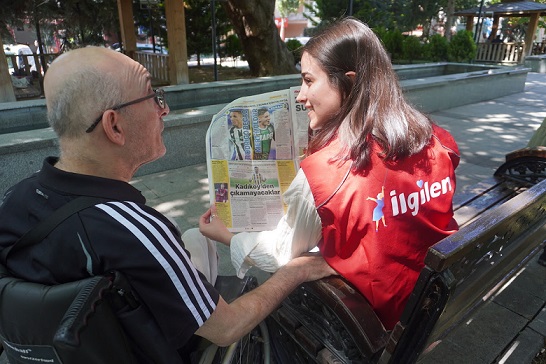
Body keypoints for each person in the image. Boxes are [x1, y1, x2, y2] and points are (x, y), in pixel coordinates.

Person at [0, 46, 335, 361]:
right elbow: (226, 327)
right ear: (114, 126)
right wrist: (300, 268)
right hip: (157, 350)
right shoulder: (134, 231)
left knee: (194, 237)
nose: (165, 109)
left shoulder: (14, 201)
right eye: (153, 96)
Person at [198, 17, 460, 330]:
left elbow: (280, 255)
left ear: (347, 84)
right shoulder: (437, 140)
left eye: (309, 81)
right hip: (434, 301)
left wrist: (225, 235)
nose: (299, 95)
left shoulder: (327, 172)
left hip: (375, 322)